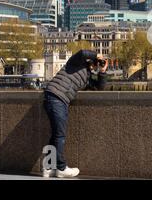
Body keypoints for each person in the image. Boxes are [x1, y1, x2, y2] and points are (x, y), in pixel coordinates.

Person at [43, 50, 108, 178]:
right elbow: (83, 52)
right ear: (92, 61)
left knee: (56, 135)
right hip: (57, 98)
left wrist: (103, 72)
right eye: (97, 63)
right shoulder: (76, 62)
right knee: (60, 136)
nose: (97, 64)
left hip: (54, 98)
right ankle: (61, 168)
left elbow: (99, 87)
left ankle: (48, 167)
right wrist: (96, 55)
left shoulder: (87, 77)